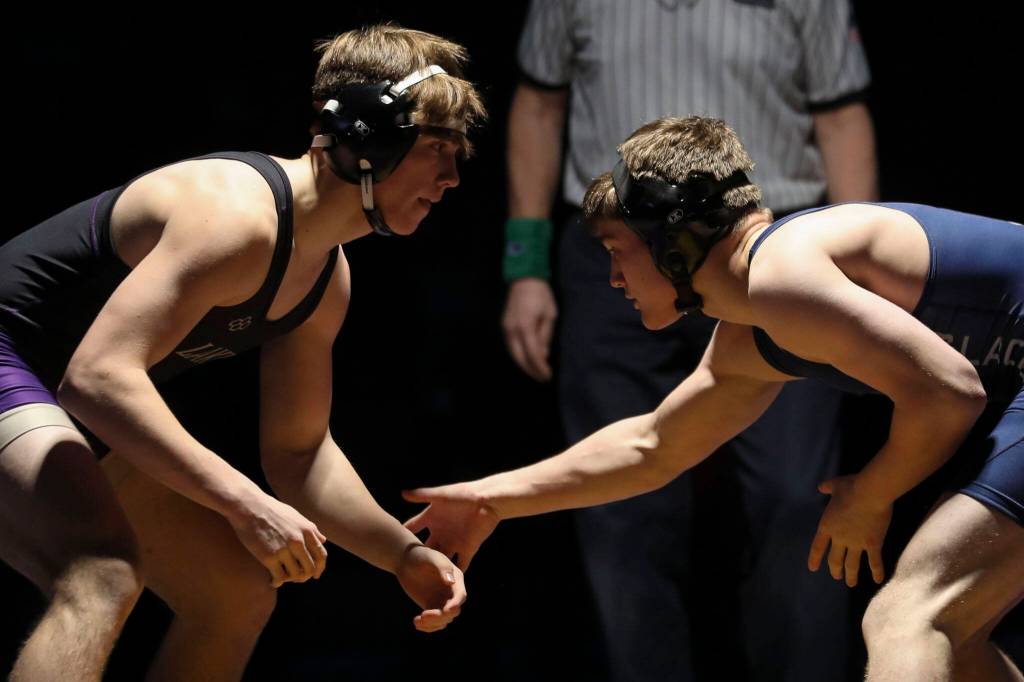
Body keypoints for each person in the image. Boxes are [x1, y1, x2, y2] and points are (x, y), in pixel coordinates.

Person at [406, 116, 1023, 681]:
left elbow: (951, 394)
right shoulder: (756, 329)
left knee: (908, 617)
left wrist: (870, 495)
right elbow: (654, 445)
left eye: (618, 251)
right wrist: (493, 500)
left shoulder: (785, 273)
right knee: (953, 635)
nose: (613, 278)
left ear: (673, 241)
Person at [0, 24, 485, 681]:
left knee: (234, 594)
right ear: (370, 137)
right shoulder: (234, 216)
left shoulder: (325, 278)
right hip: (25, 365)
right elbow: (99, 377)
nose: (453, 177)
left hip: (58, 400)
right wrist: (242, 502)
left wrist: (401, 555)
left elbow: (299, 453)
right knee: (101, 571)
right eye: (437, 148)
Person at [500, 2, 876, 678]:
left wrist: (854, 275)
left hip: (769, 246)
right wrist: (525, 265)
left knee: (799, 495)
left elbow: (842, 116)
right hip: (617, 255)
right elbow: (538, 104)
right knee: (620, 499)